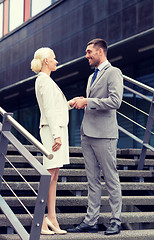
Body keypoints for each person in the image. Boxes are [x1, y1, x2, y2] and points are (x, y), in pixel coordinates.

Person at [67, 39, 123, 235]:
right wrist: (80, 101)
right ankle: (91, 220)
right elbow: (92, 102)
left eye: (89, 51)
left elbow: (115, 102)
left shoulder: (113, 72)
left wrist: (87, 101)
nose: (86, 55)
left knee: (110, 178)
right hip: (87, 133)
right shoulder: (92, 77)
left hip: (105, 135)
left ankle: (116, 220)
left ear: (100, 52)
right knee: (92, 180)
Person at [31, 47, 74, 235]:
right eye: (54, 58)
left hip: (54, 130)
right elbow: (48, 110)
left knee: (54, 175)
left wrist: (69, 104)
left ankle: (52, 217)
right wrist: (56, 135)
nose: (57, 61)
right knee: (49, 175)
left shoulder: (47, 81)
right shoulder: (44, 81)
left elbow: (55, 108)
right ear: (46, 61)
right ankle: (40, 219)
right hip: (51, 132)